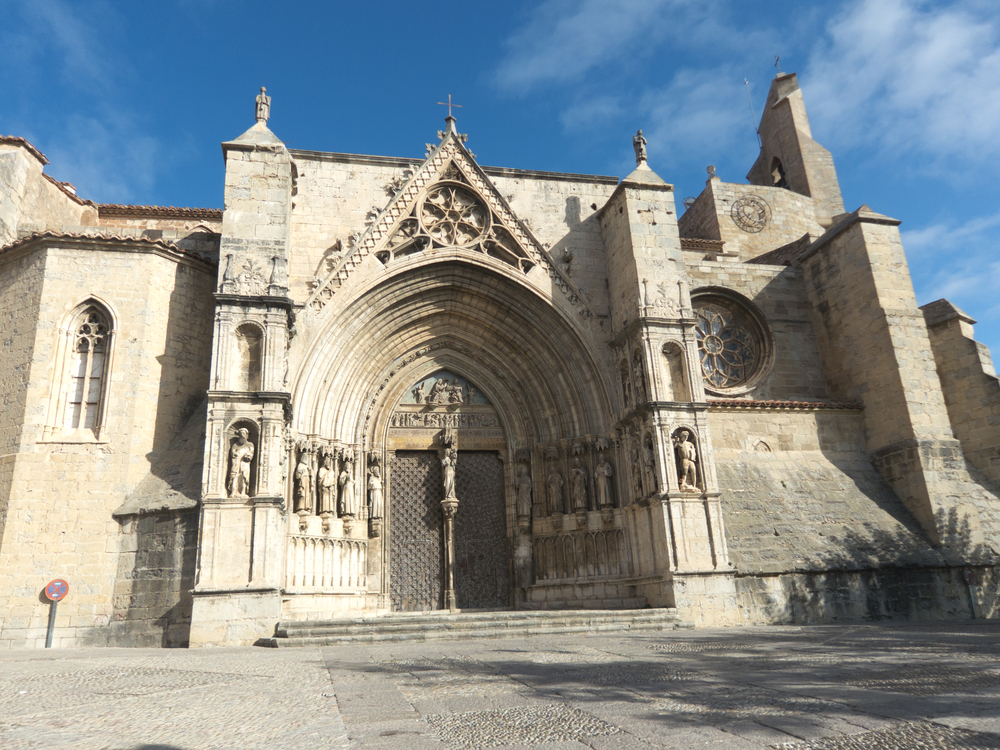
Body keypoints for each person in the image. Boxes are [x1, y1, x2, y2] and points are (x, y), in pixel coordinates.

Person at [227, 428, 254, 498]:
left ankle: (243, 492)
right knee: (234, 476)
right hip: (236, 462)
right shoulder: (235, 445)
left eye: (244, 434)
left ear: (247, 435)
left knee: (244, 477)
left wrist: (247, 455)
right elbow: (233, 453)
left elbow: (251, 452)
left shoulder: (250, 444)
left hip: (244, 463)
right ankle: (233, 492)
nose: (243, 436)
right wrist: (236, 454)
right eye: (241, 434)